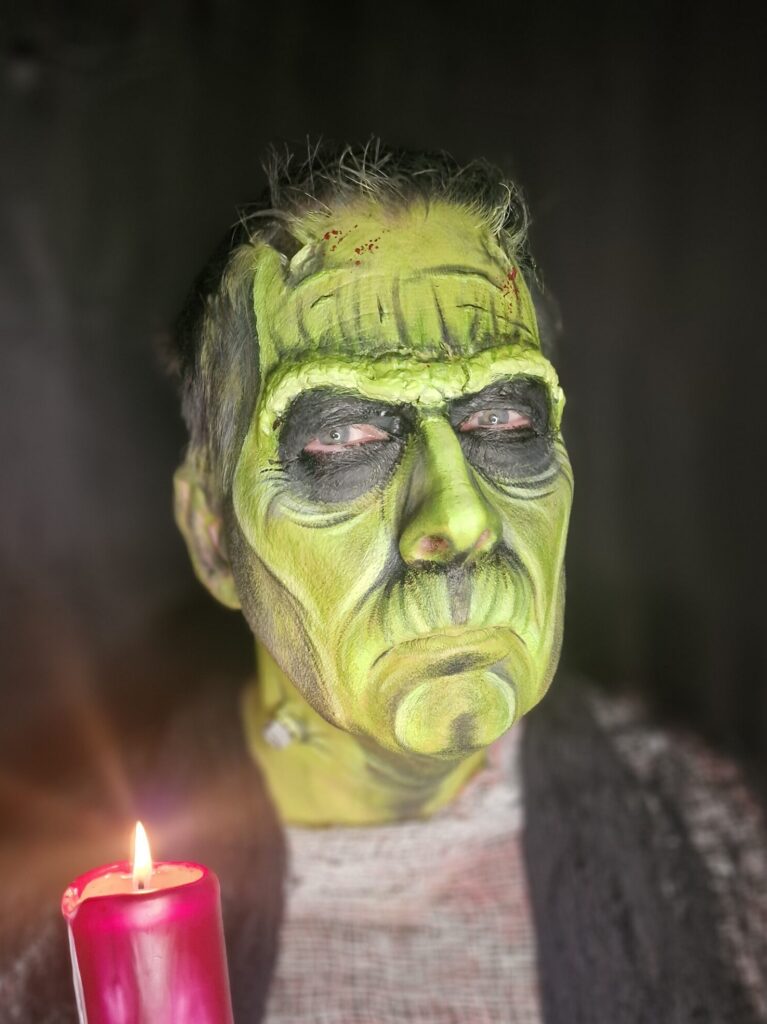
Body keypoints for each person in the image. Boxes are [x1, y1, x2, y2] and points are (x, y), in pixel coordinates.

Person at [2, 143, 766, 1023]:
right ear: (214, 537)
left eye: (505, 420)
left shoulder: (711, 838)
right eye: (342, 441)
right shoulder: (35, 935)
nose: (462, 520)